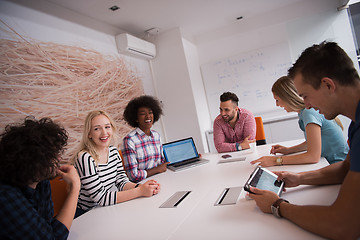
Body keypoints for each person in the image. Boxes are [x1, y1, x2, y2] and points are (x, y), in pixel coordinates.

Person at [249, 41, 360, 239]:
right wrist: (300, 178)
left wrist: (277, 205)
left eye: (306, 96)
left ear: (327, 85)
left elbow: (343, 225)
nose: (306, 104)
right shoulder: (355, 124)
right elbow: (345, 168)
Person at [0, 117, 80, 240]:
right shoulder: (6, 197)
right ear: (30, 163)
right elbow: (53, 237)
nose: (58, 159)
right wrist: (75, 188)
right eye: (51, 156)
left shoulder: (42, 182)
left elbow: (47, 226)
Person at [73, 110, 160, 218]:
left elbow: (121, 182)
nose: (104, 133)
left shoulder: (113, 152)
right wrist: (140, 191)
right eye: (97, 129)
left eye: (107, 127)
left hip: (106, 209)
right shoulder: (85, 157)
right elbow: (101, 198)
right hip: (86, 215)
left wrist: (143, 187)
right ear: (89, 134)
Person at [251, 76, 348, 167]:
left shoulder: (309, 113)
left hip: (338, 166)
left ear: (287, 98)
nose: (277, 105)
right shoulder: (304, 112)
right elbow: (312, 143)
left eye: (277, 100)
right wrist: (288, 150)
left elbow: (313, 157)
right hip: (330, 163)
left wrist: (275, 161)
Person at [122, 95, 168, 183]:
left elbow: (162, 162)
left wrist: (188, 158)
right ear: (136, 118)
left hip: (161, 179)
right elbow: (133, 176)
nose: (148, 116)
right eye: (143, 114)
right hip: (143, 184)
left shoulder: (156, 136)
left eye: (150, 113)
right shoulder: (129, 140)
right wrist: (157, 170)